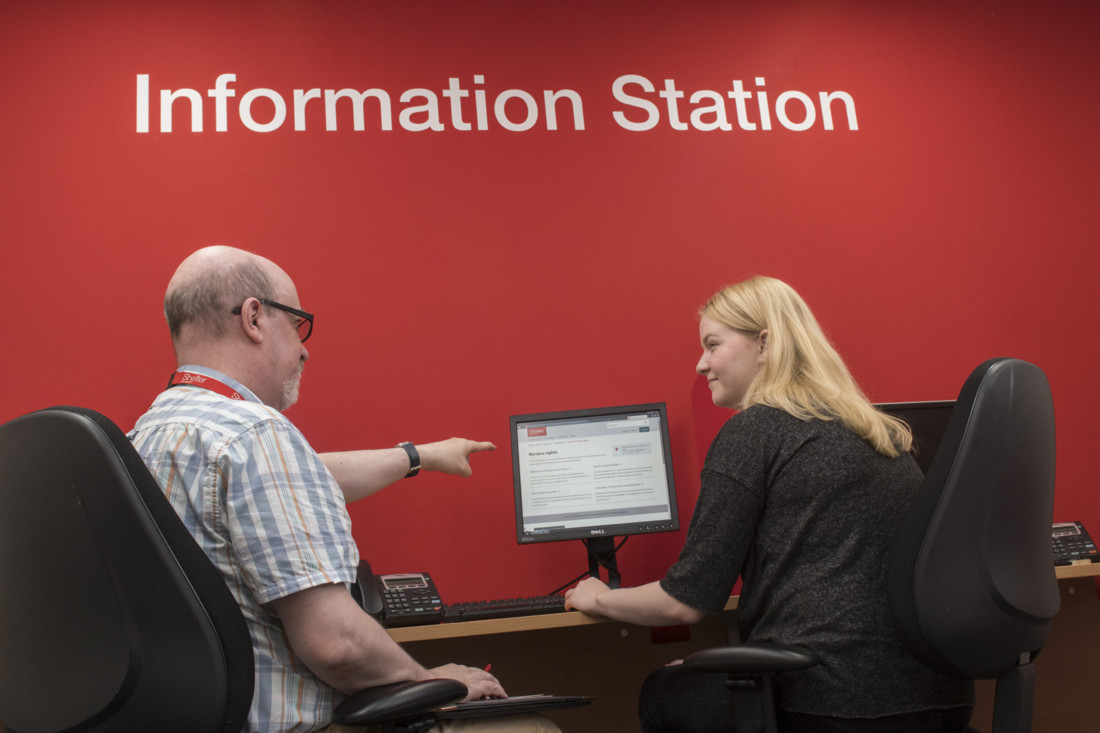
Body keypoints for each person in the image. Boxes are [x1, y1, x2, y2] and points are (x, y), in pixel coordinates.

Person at [129, 246, 559, 733]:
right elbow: (340, 647)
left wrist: (418, 455)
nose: (304, 348)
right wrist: (434, 682)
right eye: (296, 324)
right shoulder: (257, 436)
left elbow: (289, 481)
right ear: (253, 318)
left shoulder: (146, 439)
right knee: (532, 728)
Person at [564, 276, 974, 733]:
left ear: (764, 344)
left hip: (830, 699)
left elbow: (684, 603)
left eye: (713, 344)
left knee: (662, 691)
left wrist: (601, 597)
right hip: (938, 698)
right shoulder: (877, 433)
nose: (701, 364)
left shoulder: (754, 431)